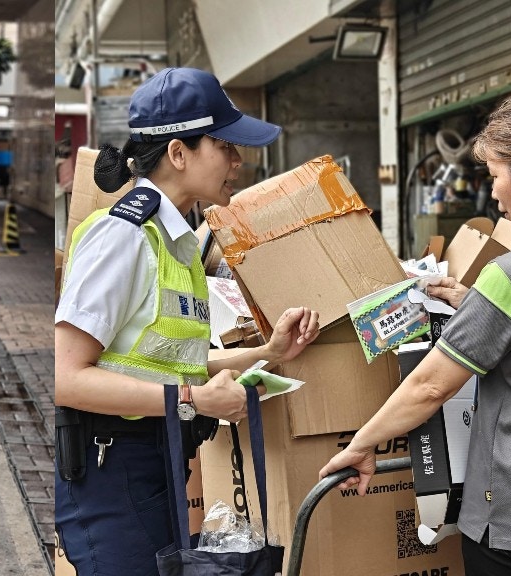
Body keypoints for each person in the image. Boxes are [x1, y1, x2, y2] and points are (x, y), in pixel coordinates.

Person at [55, 67, 320, 575]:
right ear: (178, 153)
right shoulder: (125, 236)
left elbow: (170, 362)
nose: (238, 161)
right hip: (112, 469)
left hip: (156, 461)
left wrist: (268, 354)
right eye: (224, 146)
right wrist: (194, 400)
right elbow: (66, 378)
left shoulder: (176, 241)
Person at [319, 87, 511, 575]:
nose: (494, 194)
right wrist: (477, 303)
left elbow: (430, 386)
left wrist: (362, 444)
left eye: (495, 175)